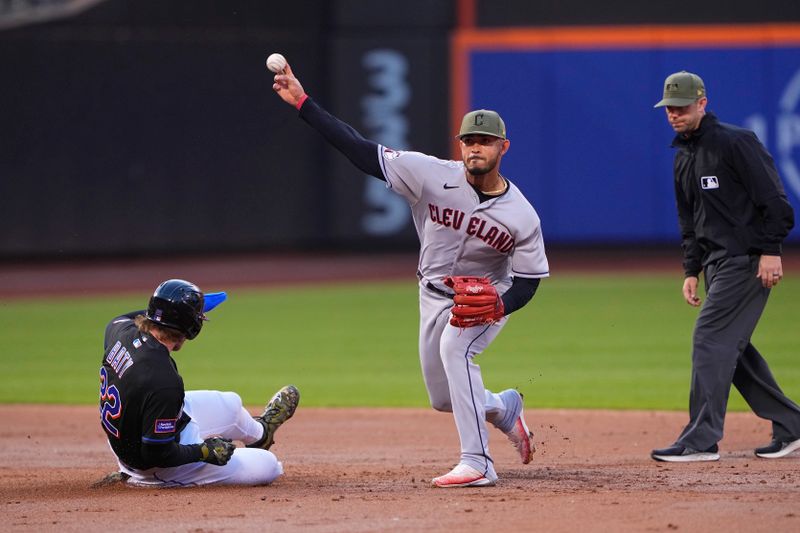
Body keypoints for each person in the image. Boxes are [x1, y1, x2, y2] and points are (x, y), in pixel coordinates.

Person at [271, 61, 549, 487]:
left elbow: (529, 281)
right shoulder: (430, 174)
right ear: (460, 145)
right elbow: (360, 149)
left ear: (503, 148)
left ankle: (478, 462)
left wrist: (499, 305)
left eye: (486, 142)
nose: (476, 148)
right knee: (442, 398)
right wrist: (304, 104)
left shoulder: (521, 215)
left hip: (486, 297)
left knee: (457, 349)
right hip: (432, 293)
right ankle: (502, 408)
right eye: (469, 140)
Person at [651, 70, 800, 462]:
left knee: (709, 340)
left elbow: (778, 205)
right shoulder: (683, 157)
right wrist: (690, 270)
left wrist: (771, 251)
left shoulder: (736, 142)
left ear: (702, 103)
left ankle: (701, 440)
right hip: (716, 265)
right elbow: (690, 222)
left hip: (748, 261)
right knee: (734, 351)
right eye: (669, 108)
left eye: (681, 107)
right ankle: (793, 425)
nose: (674, 114)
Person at [98, 279, 300, 486]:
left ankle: (261, 434)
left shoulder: (120, 331)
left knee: (231, 404)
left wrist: (174, 310)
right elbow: (156, 453)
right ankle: (136, 479)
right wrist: (204, 451)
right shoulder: (163, 380)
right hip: (153, 465)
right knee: (268, 466)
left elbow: (144, 317)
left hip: (138, 429)